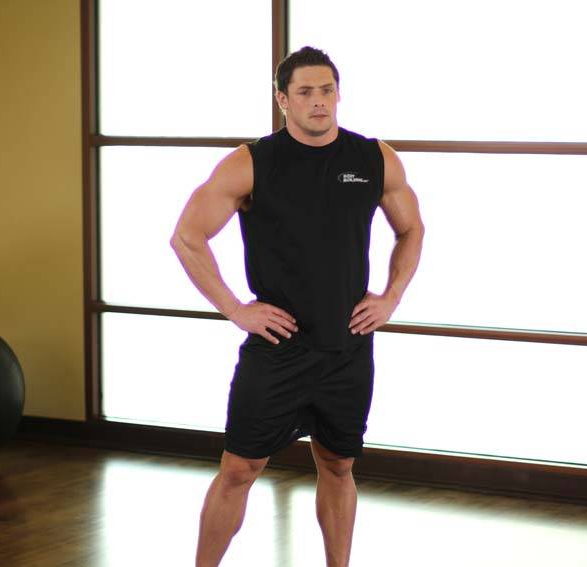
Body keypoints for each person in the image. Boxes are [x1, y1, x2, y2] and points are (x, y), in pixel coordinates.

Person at [170, 46, 424, 567]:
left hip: (347, 348)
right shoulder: (251, 163)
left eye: (327, 90)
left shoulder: (374, 158)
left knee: (338, 466)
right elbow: (188, 237)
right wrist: (235, 309)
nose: (318, 101)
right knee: (239, 470)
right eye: (305, 92)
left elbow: (412, 229)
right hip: (278, 349)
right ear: (282, 99)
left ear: (338, 94)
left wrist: (391, 296)